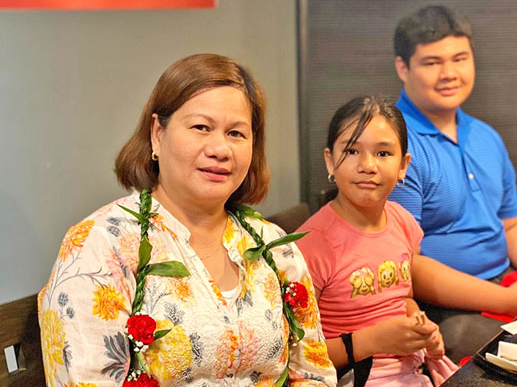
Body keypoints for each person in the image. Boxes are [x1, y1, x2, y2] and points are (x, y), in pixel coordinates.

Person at [38, 54, 337, 387]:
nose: (220, 149)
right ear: (157, 134)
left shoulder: (274, 248)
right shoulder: (100, 246)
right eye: (201, 127)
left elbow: (313, 374)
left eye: (236, 133)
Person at [388, 5, 517, 362]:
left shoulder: (486, 136)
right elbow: (405, 265)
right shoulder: (392, 144)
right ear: (403, 68)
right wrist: (508, 301)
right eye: (432, 62)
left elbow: (512, 225)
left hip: (505, 283)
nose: (449, 74)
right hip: (442, 309)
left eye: (460, 58)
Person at [296, 96, 457, 387]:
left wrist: (421, 325)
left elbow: (402, 298)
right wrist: (372, 340)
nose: (368, 165)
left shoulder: (402, 222)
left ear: (403, 165)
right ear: (330, 160)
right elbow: (297, 354)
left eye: (383, 153)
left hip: (411, 371)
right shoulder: (312, 245)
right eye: (352, 151)